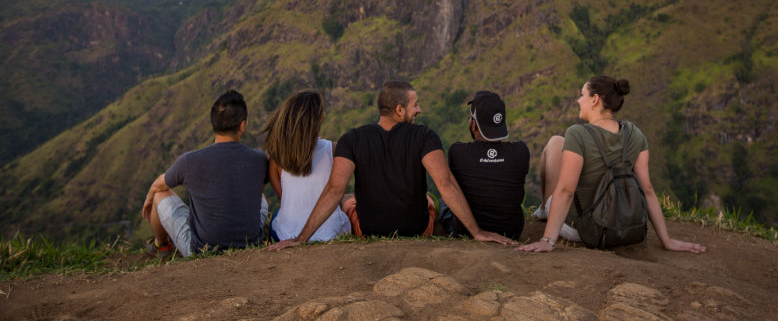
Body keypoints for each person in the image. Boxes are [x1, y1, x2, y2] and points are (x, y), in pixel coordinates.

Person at [268, 81, 517, 250]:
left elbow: (334, 189)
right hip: (417, 230)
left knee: (349, 201)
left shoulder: (351, 139)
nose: (419, 110)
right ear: (400, 110)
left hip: (367, 231)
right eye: (415, 104)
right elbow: (445, 183)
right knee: (430, 200)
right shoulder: (425, 137)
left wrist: (301, 239)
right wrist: (477, 232)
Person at [517, 76, 706, 253]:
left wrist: (547, 240)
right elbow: (647, 189)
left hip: (583, 230)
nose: (578, 101)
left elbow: (567, 191)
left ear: (595, 99)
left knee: (555, 142)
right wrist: (667, 240)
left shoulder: (577, 134)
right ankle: (546, 211)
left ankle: (544, 210)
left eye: (582, 95)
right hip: (622, 226)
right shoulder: (634, 133)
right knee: (561, 145)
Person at [142, 90, 269, 258]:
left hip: (202, 251)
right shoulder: (260, 159)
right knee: (262, 198)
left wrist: (149, 199)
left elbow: (160, 183)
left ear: (214, 124)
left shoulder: (189, 160)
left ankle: (161, 245)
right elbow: (259, 190)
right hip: (250, 243)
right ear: (242, 125)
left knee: (160, 194)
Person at [439, 91, 529, 240]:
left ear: (474, 125)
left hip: (464, 231)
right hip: (511, 231)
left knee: (446, 195)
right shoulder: (521, 151)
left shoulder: (458, 152)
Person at [262, 90, 350, 242]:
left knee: (278, 214)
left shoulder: (277, 157)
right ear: (319, 118)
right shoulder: (335, 150)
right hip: (333, 234)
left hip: (286, 234)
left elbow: (284, 198)